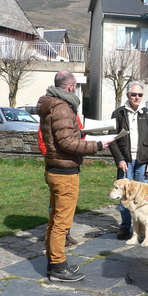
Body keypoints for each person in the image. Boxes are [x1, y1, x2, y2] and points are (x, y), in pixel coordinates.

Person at [37, 70, 113, 282]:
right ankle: (58, 267)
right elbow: (66, 144)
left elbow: (62, 136)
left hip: (54, 169)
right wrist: (98, 145)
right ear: (70, 87)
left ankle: (54, 262)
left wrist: (80, 133)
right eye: (75, 86)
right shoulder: (61, 108)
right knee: (62, 222)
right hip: (64, 173)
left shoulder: (52, 105)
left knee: (55, 220)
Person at [109, 81, 148, 240]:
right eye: (134, 94)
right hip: (126, 161)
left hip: (143, 161)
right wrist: (120, 159)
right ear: (127, 95)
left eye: (140, 95)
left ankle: (142, 228)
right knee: (124, 196)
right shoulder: (118, 113)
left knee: (143, 197)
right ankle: (125, 227)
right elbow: (113, 139)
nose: (137, 97)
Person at [38, 116, 84, 247]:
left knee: (66, 208)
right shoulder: (51, 114)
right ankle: (56, 246)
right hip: (57, 168)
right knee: (56, 208)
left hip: (69, 166)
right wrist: (53, 157)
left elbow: (79, 135)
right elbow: (42, 140)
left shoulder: (73, 115)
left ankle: (65, 234)